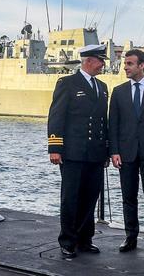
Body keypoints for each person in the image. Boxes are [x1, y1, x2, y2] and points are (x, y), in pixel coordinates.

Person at [48, 44, 109, 259]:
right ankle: (68, 240)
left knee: (90, 197)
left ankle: (85, 239)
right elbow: (57, 116)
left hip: (95, 153)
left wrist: (106, 151)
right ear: (89, 61)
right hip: (73, 153)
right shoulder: (68, 83)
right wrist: (55, 148)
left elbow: (103, 121)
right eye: (101, 61)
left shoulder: (102, 87)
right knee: (71, 198)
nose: (103, 65)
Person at [109, 50, 144, 255]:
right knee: (128, 197)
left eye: (130, 63)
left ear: (142, 65)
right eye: (125, 63)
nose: (125, 67)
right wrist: (114, 151)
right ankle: (130, 236)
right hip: (126, 153)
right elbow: (112, 124)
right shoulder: (119, 91)